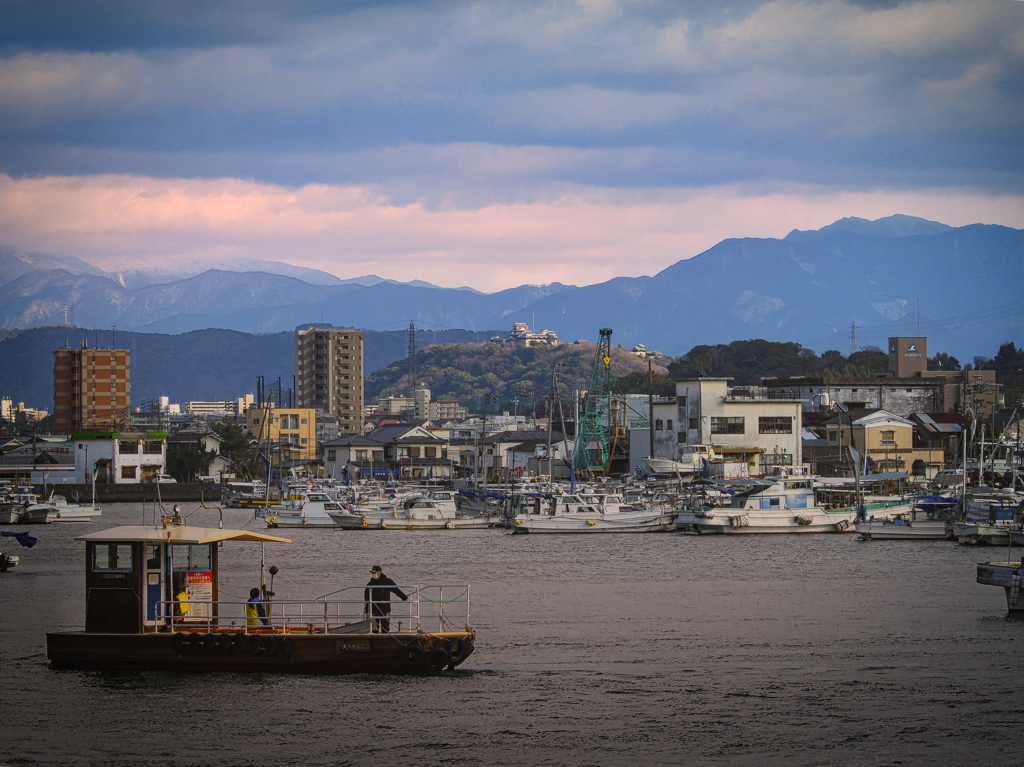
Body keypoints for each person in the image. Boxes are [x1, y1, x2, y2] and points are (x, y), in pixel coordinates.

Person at [364, 565, 408, 633]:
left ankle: (385, 640)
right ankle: (374, 642)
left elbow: (396, 590)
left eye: (374, 572)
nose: (373, 574)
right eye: (372, 572)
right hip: (374, 609)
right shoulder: (370, 584)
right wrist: (367, 610)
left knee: (385, 629)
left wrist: (404, 597)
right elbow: (366, 597)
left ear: (379, 572)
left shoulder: (388, 582)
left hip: (385, 609)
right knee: (374, 629)